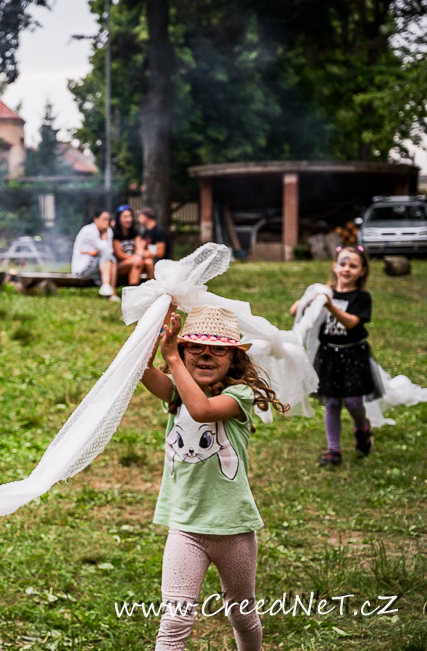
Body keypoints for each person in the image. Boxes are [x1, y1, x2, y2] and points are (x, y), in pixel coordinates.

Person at [141, 305, 286, 651]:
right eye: (195, 346)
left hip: (233, 529)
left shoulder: (239, 396)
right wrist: (161, 321)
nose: (206, 355)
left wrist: (174, 358)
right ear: (183, 349)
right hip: (186, 527)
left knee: (242, 614)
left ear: (234, 357)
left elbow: (202, 410)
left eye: (218, 348)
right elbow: (142, 368)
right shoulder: (176, 392)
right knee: (174, 620)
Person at [289, 245, 380, 466]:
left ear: (362, 271)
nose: (347, 269)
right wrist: (312, 297)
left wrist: (329, 305)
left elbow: (351, 323)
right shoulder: (326, 292)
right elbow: (294, 311)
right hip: (328, 355)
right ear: (334, 266)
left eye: (353, 266)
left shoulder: (361, 297)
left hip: (353, 355)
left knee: (353, 402)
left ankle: (362, 428)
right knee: (332, 402)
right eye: (343, 263)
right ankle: (333, 449)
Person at [71, 209, 118, 300]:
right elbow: (105, 248)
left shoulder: (109, 231)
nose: (106, 222)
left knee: (112, 261)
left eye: (108, 219)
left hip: (100, 264)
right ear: (96, 219)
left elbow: (109, 250)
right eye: (104, 219)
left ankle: (110, 292)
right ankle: (108, 289)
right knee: (109, 257)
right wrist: (105, 234)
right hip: (83, 268)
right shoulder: (89, 231)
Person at [112, 204, 147, 286]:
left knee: (147, 262)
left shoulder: (135, 232)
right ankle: (133, 288)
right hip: (119, 265)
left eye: (130, 216)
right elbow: (119, 255)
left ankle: (150, 288)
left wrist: (138, 257)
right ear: (119, 219)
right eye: (125, 217)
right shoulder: (114, 234)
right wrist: (135, 258)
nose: (129, 219)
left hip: (136, 261)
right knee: (137, 262)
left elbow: (139, 248)